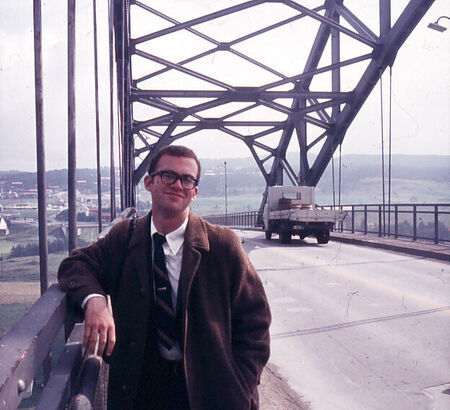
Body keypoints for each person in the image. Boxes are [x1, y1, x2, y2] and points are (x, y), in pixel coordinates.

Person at [58, 145, 271, 409]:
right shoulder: (124, 238)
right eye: (168, 175)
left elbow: (256, 322)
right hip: (141, 390)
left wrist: (241, 383)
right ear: (148, 182)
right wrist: (95, 301)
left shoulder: (222, 245)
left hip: (209, 390)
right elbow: (74, 265)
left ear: (195, 191)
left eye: (187, 179)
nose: (177, 184)